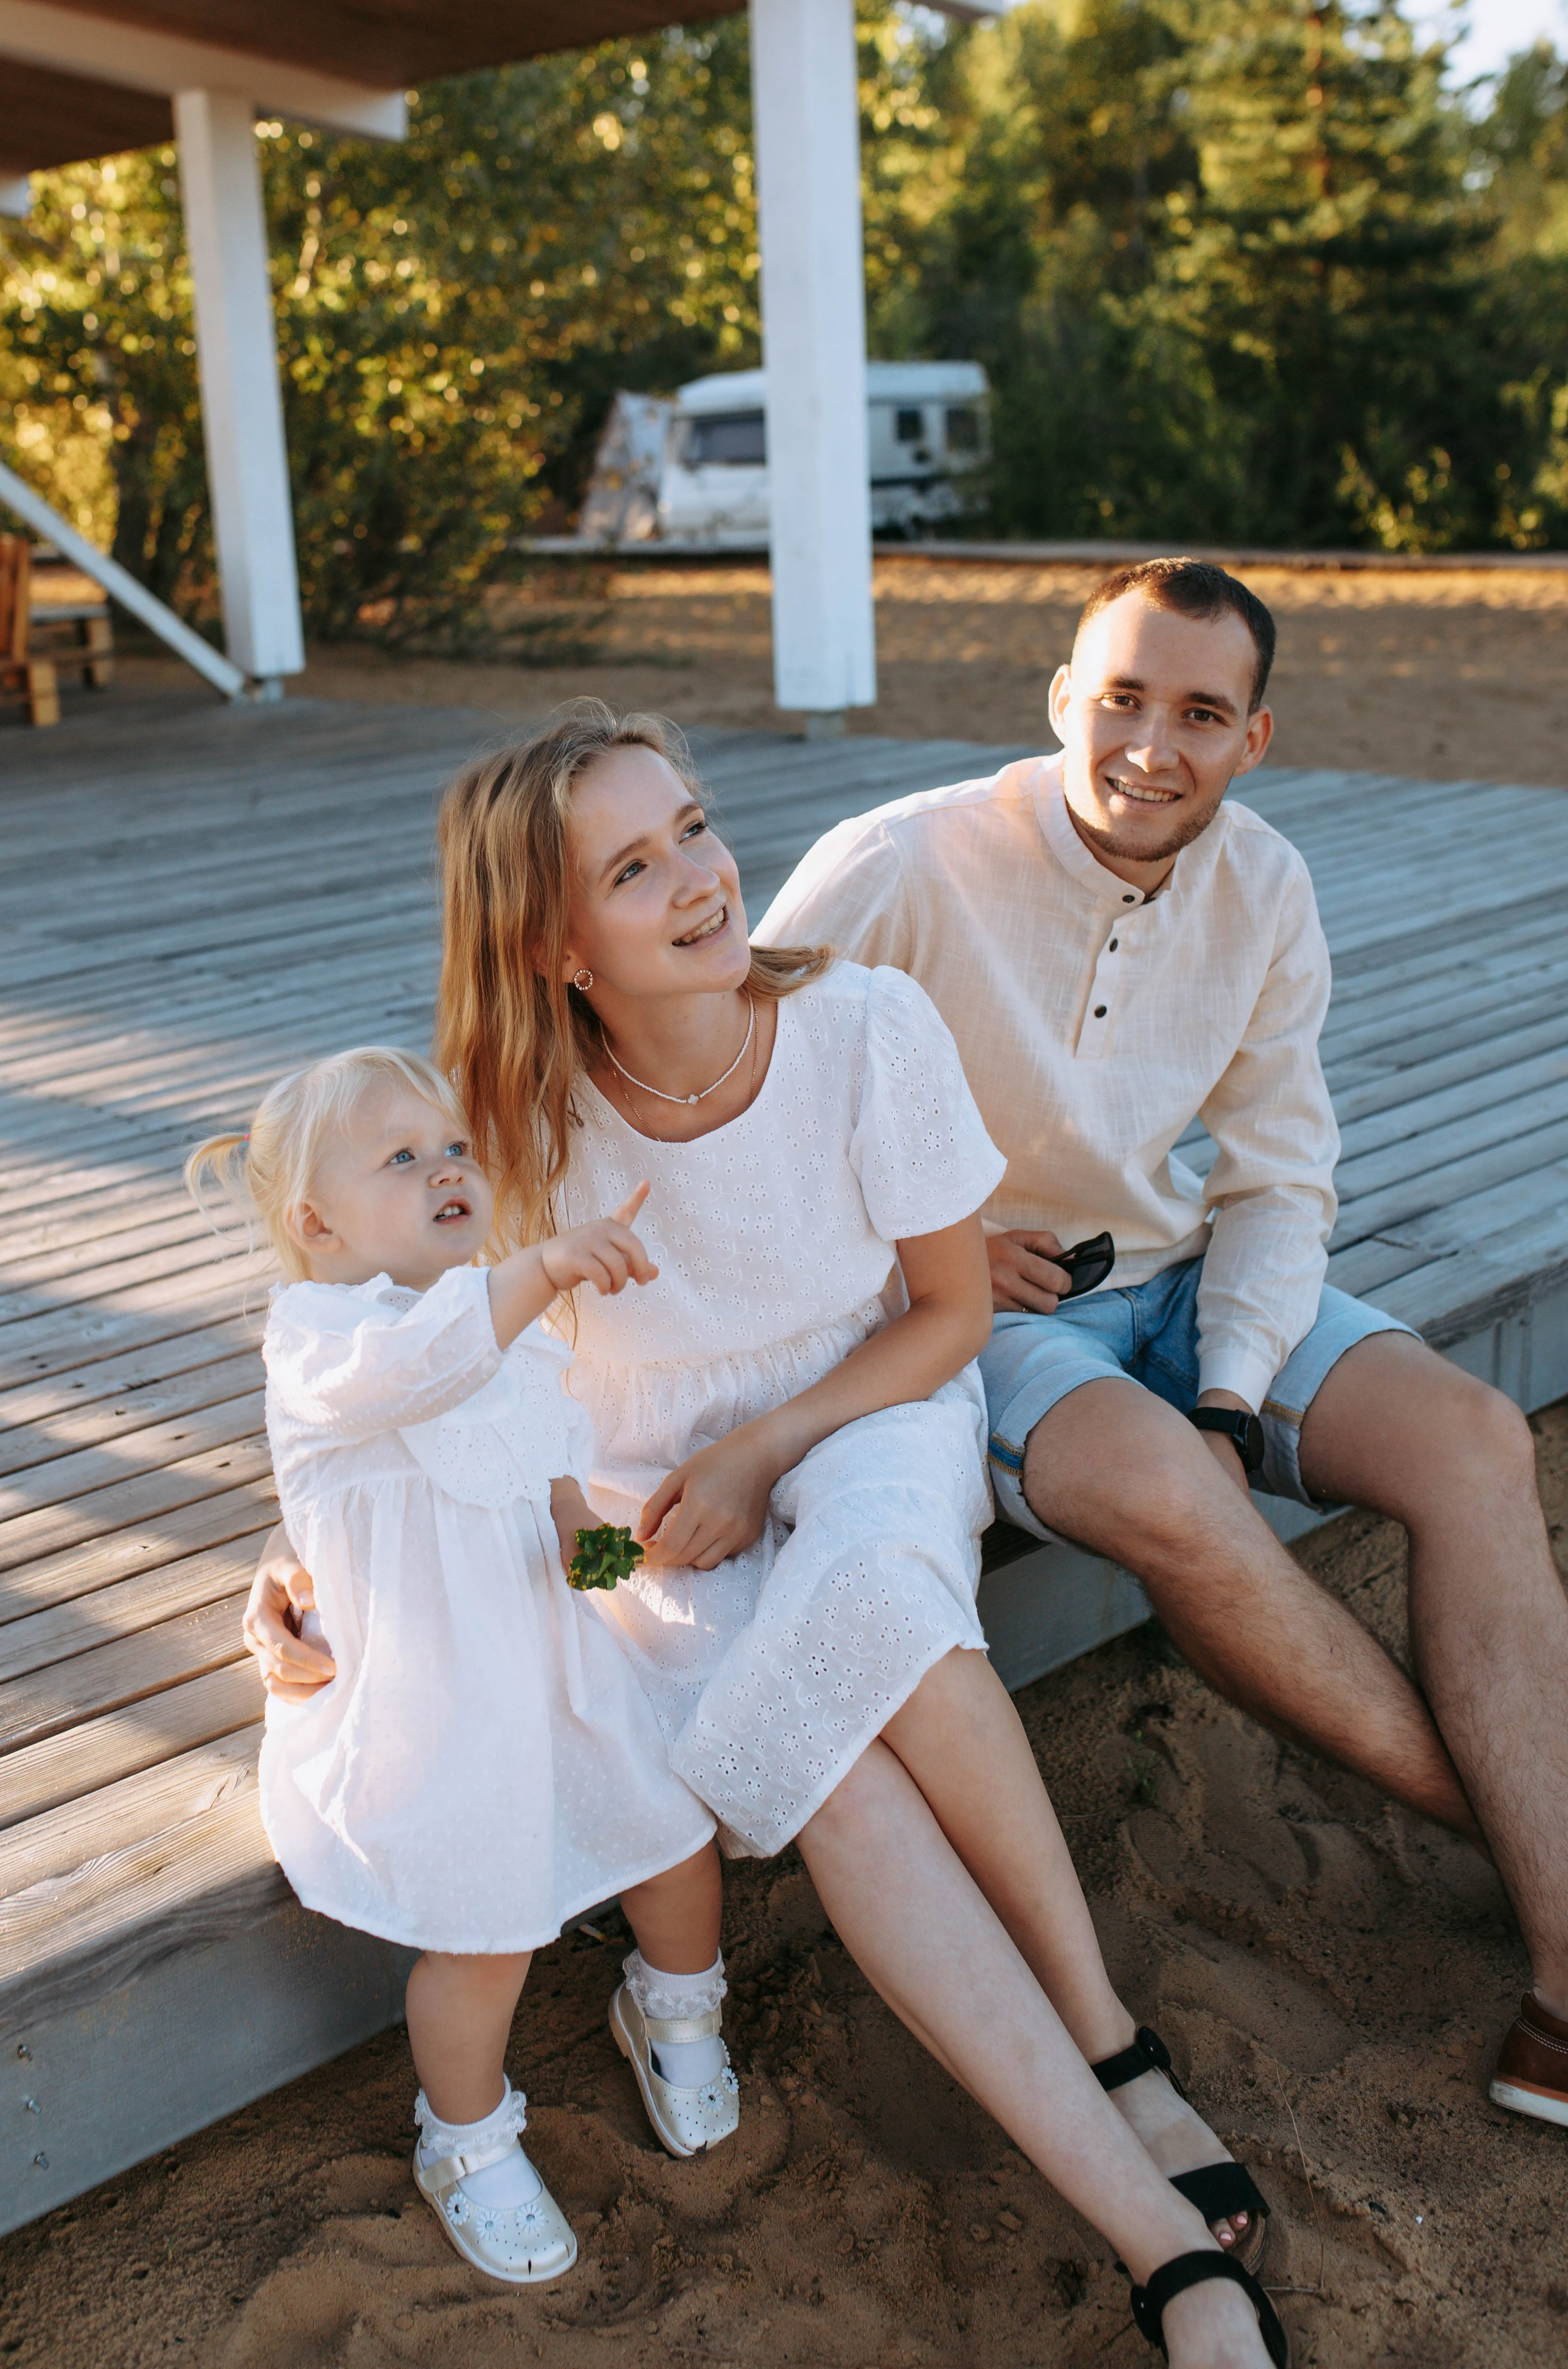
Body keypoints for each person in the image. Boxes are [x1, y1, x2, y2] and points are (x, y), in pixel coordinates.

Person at [249, 710, 1290, 2369]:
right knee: (838, 1776)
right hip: (645, 1517)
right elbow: (388, 1373)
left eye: (696, 828)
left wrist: (764, 1446)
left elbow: (948, 1314)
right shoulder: (504, 1129)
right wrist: (307, 1577)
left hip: (868, 1417)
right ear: (551, 940)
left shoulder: (865, 1028)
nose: (699, 878)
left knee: (884, 1597)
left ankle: (1107, 2041)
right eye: (633, 866)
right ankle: (1157, 2238)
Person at [756, 555, 1568, 2129]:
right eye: (1120, 697)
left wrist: (1226, 1386)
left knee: (1473, 1438)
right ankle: (1550, 1864)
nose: (1150, 745)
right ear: (1060, 698)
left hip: (1177, 1275)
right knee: (1174, 1497)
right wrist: (907, 1240)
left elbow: (1279, 1176)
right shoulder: (898, 863)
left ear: (1250, 738)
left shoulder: (1263, 883)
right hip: (975, 1310)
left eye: (1199, 713)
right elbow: (725, 1076)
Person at [188, 1044, 737, 2289]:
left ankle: (677, 2006)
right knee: (483, 1935)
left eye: (454, 1150)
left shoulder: (513, 1337)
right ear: (314, 1224)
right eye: (402, 1157)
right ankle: (469, 2135)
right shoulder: (323, 1344)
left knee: (674, 1839)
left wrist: (629, 1561)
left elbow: (557, 1509)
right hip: (434, 1707)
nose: (447, 1168)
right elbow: (424, 1366)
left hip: (551, 1670)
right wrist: (542, 1268)